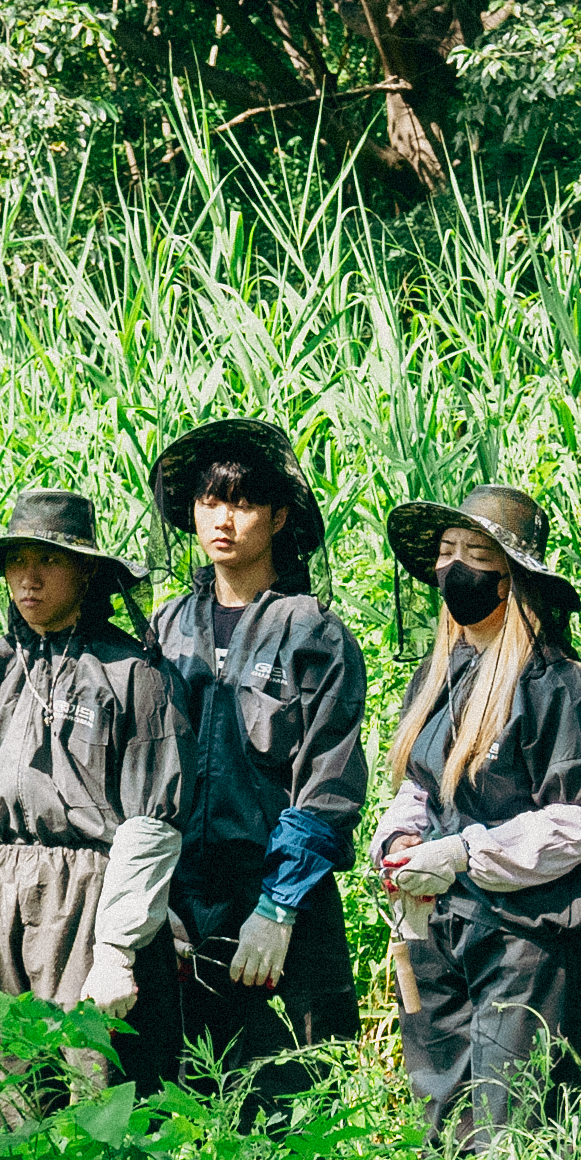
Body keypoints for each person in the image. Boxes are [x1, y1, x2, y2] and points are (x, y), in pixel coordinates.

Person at [372, 486, 581, 1148]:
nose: (456, 566)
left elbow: (576, 825)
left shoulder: (568, 691)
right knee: (443, 1128)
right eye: (447, 551)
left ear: (514, 575)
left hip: (526, 945)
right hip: (438, 935)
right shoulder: (440, 675)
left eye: (477, 553)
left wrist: (461, 853)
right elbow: (419, 785)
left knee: (515, 1144)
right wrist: (403, 842)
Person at [0, 488, 190, 1096]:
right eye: (17, 562)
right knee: (5, 1108)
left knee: (102, 1105)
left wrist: (117, 950)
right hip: (0, 908)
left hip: (96, 901)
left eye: (46, 561)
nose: (28, 578)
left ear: (86, 570)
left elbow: (151, 823)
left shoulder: (133, 675)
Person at [146, 418, 368, 1124]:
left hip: (283, 897)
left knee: (301, 1100)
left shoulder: (313, 632)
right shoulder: (166, 628)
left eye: (241, 503)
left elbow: (328, 782)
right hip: (183, 897)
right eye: (210, 503)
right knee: (180, 1093)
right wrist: (154, 901)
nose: (223, 519)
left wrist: (277, 909)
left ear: (278, 517)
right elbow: (140, 775)